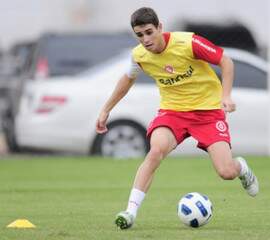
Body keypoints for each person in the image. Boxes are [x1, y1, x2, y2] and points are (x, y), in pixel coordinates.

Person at [96, 7, 259, 229]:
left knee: (226, 171)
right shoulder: (139, 55)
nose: (145, 39)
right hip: (173, 113)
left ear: (160, 27)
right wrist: (106, 109)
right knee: (155, 151)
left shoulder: (188, 43)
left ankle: (241, 168)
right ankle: (130, 212)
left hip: (208, 113)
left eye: (149, 32)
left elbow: (226, 61)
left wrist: (226, 95)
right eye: (140, 35)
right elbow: (127, 79)